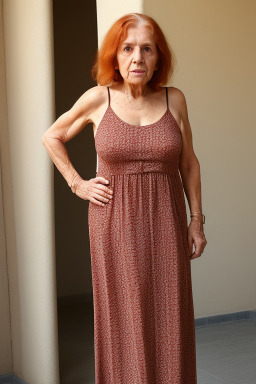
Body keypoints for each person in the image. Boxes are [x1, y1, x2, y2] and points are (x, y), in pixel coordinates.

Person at [42, 12, 207, 384]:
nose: (137, 58)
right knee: (123, 315)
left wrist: (196, 221)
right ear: (114, 56)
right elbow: (52, 136)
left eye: (147, 49)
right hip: (112, 223)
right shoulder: (98, 99)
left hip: (166, 221)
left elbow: (189, 164)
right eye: (128, 48)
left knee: (169, 313)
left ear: (158, 56)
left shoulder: (174, 100)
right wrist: (76, 183)